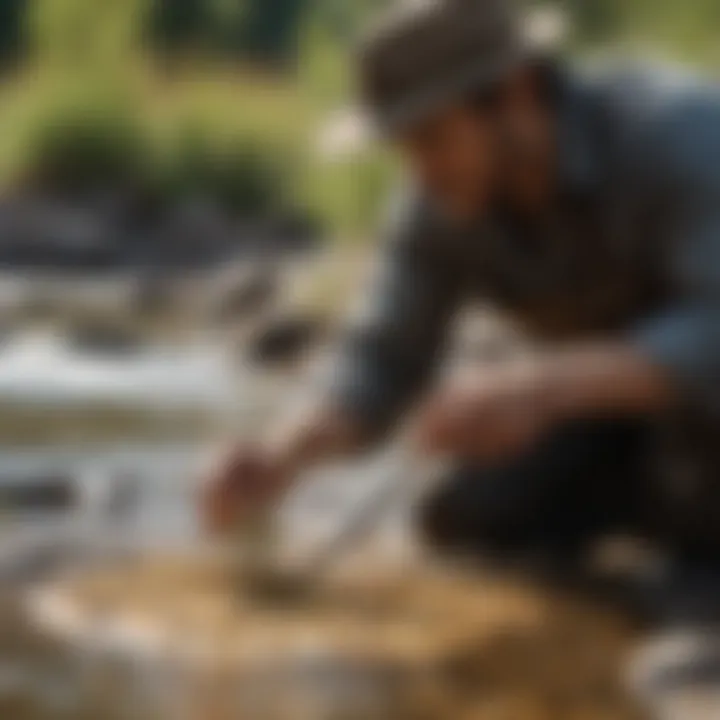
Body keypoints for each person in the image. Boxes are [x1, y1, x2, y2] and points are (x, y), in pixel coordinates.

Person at [203, 0, 720, 712]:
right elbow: (383, 359)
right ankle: (649, 573)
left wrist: (539, 388)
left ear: (516, 92)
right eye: (403, 147)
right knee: (465, 515)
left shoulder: (680, 136)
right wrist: (283, 457)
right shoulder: (437, 197)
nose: (418, 170)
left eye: (431, 137)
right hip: (621, 414)